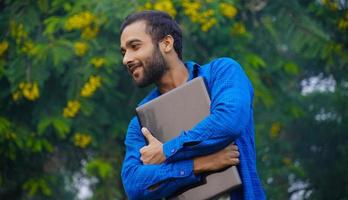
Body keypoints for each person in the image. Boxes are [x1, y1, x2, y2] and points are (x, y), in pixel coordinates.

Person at [120, 10, 265, 200]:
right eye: (123, 52)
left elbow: (229, 121)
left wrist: (166, 151)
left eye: (135, 46)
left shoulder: (221, 73)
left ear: (166, 43)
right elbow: (134, 185)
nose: (126, 59)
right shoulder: (140, 123)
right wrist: (198, 165)